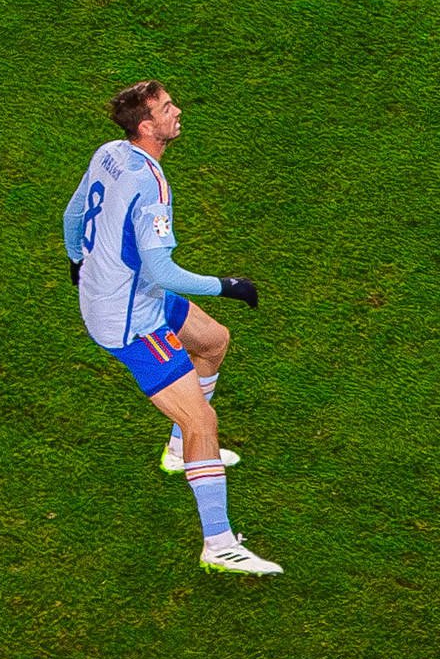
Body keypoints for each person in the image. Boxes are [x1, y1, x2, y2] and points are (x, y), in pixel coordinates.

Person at [62, 81, 279, 574]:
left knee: (214, 340)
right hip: (130, 320)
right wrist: (229, 285)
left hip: (131, 296)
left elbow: (73, 213)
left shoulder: (110, 153)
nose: (176, 112)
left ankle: (181, 453)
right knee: (202, 419)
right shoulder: (152, 186)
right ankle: (218, 544)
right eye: (166, 108)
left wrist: (78, 259)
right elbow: (163, 272)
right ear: (147, 127)